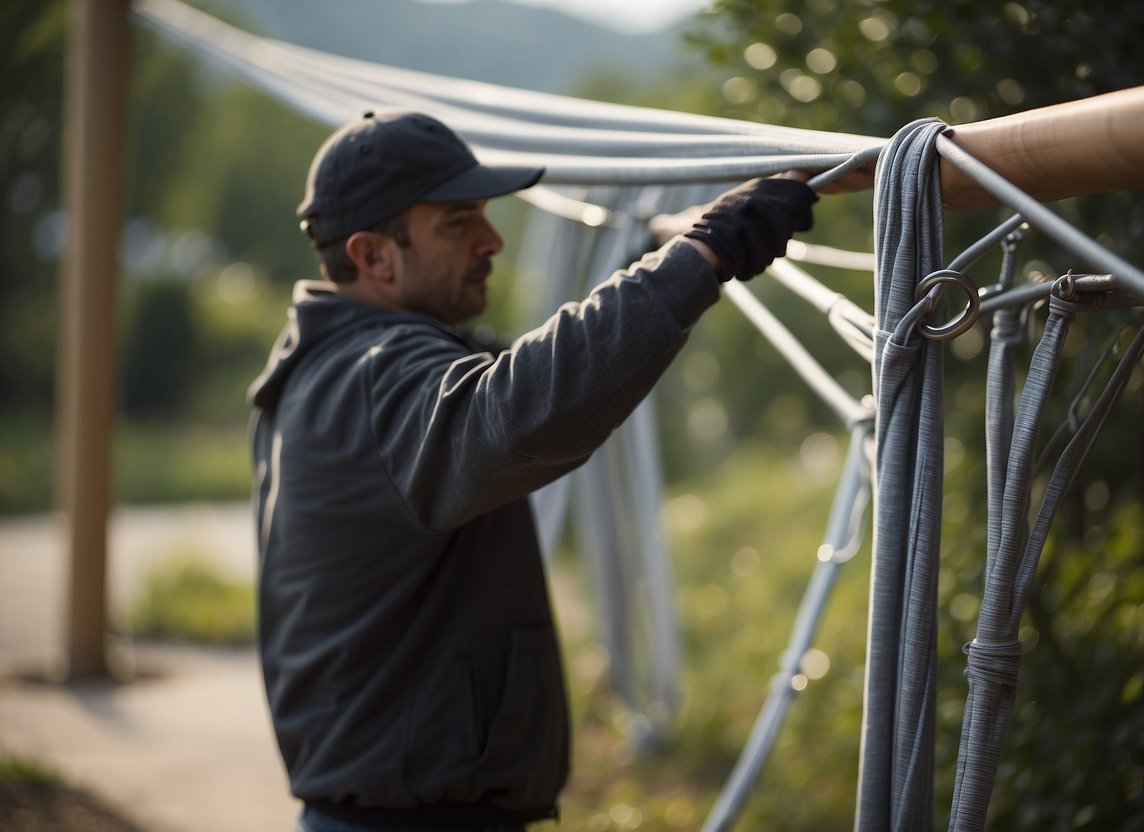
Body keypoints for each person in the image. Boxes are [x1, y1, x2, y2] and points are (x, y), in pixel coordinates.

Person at [248, 109, 817, 832]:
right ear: (373, 255)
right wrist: (702, 256)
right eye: (458, 224)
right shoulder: (372, 378)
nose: (492, 240)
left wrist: (646, 256)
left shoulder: (338, 368)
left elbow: (513, 368)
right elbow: (513, 409)